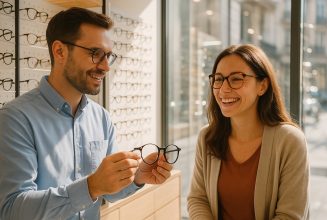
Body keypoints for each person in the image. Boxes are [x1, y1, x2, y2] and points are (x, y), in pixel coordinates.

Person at [0, 7, 173, 220]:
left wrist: (137, 176)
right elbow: (12, 210)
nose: (106, 67)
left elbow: (106, 190)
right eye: (95, 53)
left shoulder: (101, 118)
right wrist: (90, 187)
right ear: (60, 51)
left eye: (108, 56)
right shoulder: (15, 119)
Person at [187, 44, 309, 220]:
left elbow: (290, 216)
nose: (223, 89)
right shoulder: (207, 137)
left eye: (236, 79)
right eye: (218, 79)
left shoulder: (290, 140)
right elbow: (198, 198)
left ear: (262, 86)